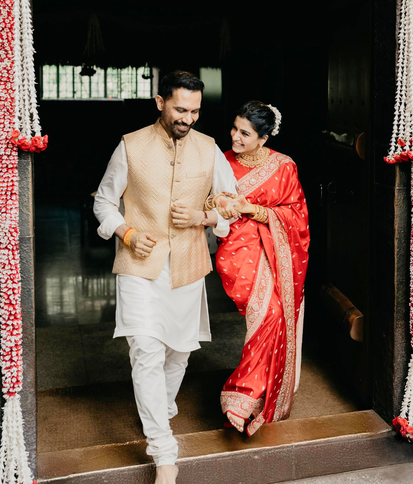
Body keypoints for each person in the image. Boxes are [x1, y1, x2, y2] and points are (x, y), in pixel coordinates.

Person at [93, 71, 237, 484]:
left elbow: (231, 209)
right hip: (140, 267)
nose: (187, 118)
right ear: (160, 102)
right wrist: (127, 233)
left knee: (179, 352)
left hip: (189, 265)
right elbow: (103, 202)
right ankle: (163, 452)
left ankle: (158, 408)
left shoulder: (210, 149)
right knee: (146, 351)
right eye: (180, 109)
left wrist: (203, 217)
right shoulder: (130, 145)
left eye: (195, 111)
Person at [209, 101, 310, 436]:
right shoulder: (221, 162)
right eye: (235, 128)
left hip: (274, 249)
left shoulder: (284, 166)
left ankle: (246, 395)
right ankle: (253, 391)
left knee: (274, 314)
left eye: (245, 133)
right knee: (265, 314)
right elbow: (206, 200)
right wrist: (218, 203)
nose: (235, 137)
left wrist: (253, 209)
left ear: (264, 138)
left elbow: (297, 214)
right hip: (238, 250)